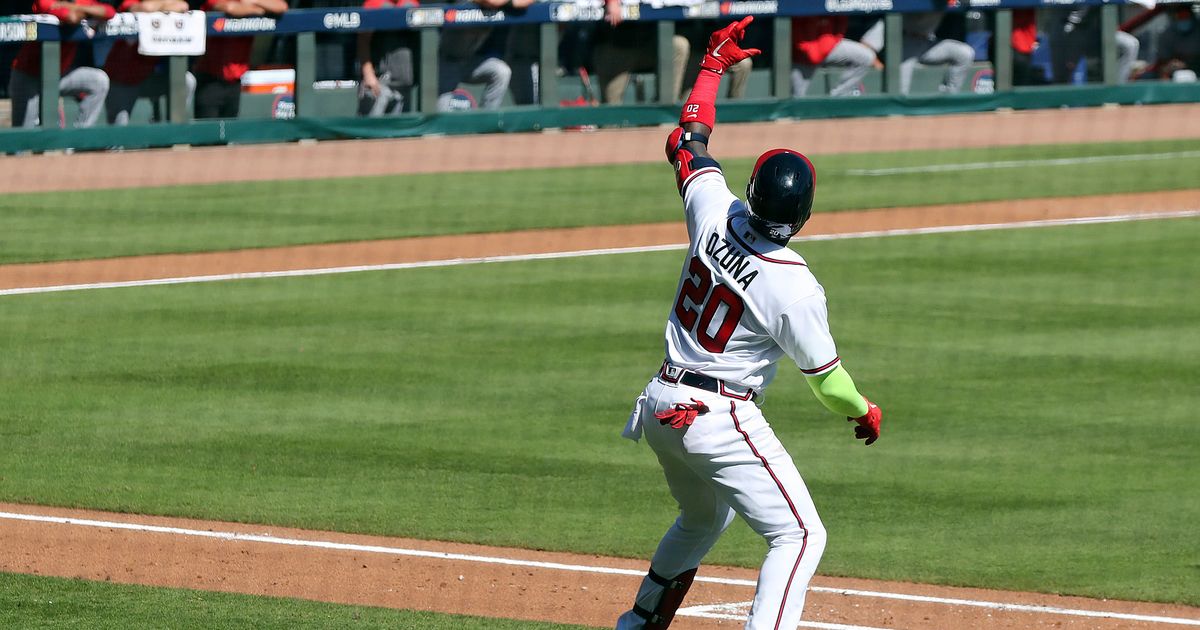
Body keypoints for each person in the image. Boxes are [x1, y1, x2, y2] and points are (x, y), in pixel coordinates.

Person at [615, 17, 884, 630]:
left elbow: (686, 141)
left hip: (660, 404)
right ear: (805, 212)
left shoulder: (715, 211)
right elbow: (829, 383)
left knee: (706, 517)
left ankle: (639, 623)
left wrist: (710, 68)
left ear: (755, 192)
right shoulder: (792, 283)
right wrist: (863, 411)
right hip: (716, 416)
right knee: (800, 535)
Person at [9, 0, 113, 128]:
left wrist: (73, 6)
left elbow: (109, 12)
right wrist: (86, 11)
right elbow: (70, 16)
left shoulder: (79, 2)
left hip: (58, 76)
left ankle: (77, 139)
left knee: (99, 81)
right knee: (23, 136)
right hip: (28, 76)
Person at [104, 0, 198, 125]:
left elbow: (183, 6)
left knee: (187, 80)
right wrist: (165, 7)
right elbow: (144, 8)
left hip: (149, 77)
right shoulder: (131, 2)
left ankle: (171, 132)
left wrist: (160, 7)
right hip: (122, 79)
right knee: (116, 137)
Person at [194, 0, 288, 119]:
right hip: (210, 79)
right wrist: (259, 10)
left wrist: (253, 2)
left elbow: (281, 6)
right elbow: (230, 8)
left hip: (235, 82)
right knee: (206, 133)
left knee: (229, 130)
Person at [592, 0, 689, 104]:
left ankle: (666, 113)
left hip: (650, 44)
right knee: (611, 108)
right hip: (618, 47)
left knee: (678, 45)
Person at [435, 0, 525, 111]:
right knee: (442, 117)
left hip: (469, 61)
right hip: (445, 63)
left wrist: (508, 3)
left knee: (501, 71)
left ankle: (486, 121)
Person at [860, 12, 975, 94]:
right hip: (903, 45)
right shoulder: (896, 11)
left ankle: (949, 99)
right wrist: (880, 67)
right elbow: (866, 46)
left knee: (964, 53)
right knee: (899, 92)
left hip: (927, 44)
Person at [357, 0, 419, 116]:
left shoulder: (411, 3)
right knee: (374, 131)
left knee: (401, 132)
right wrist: (368, 74)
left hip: (405, 85)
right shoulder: (374, 3)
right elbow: (363, 40)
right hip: (380, 82)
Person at [1048, 6, 1140, 84]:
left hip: (1094, 32)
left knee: (1129, 45)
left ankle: (1115, 94)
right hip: (1067, 30)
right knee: (1062, 79)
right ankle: (1060, 102)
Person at [790, 15, 876, 97]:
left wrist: (828, 43)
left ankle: (838, 99)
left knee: (865, 56)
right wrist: (805, 49)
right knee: (796, 98)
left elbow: (840, 23)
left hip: (827, 45)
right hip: (800, 53)